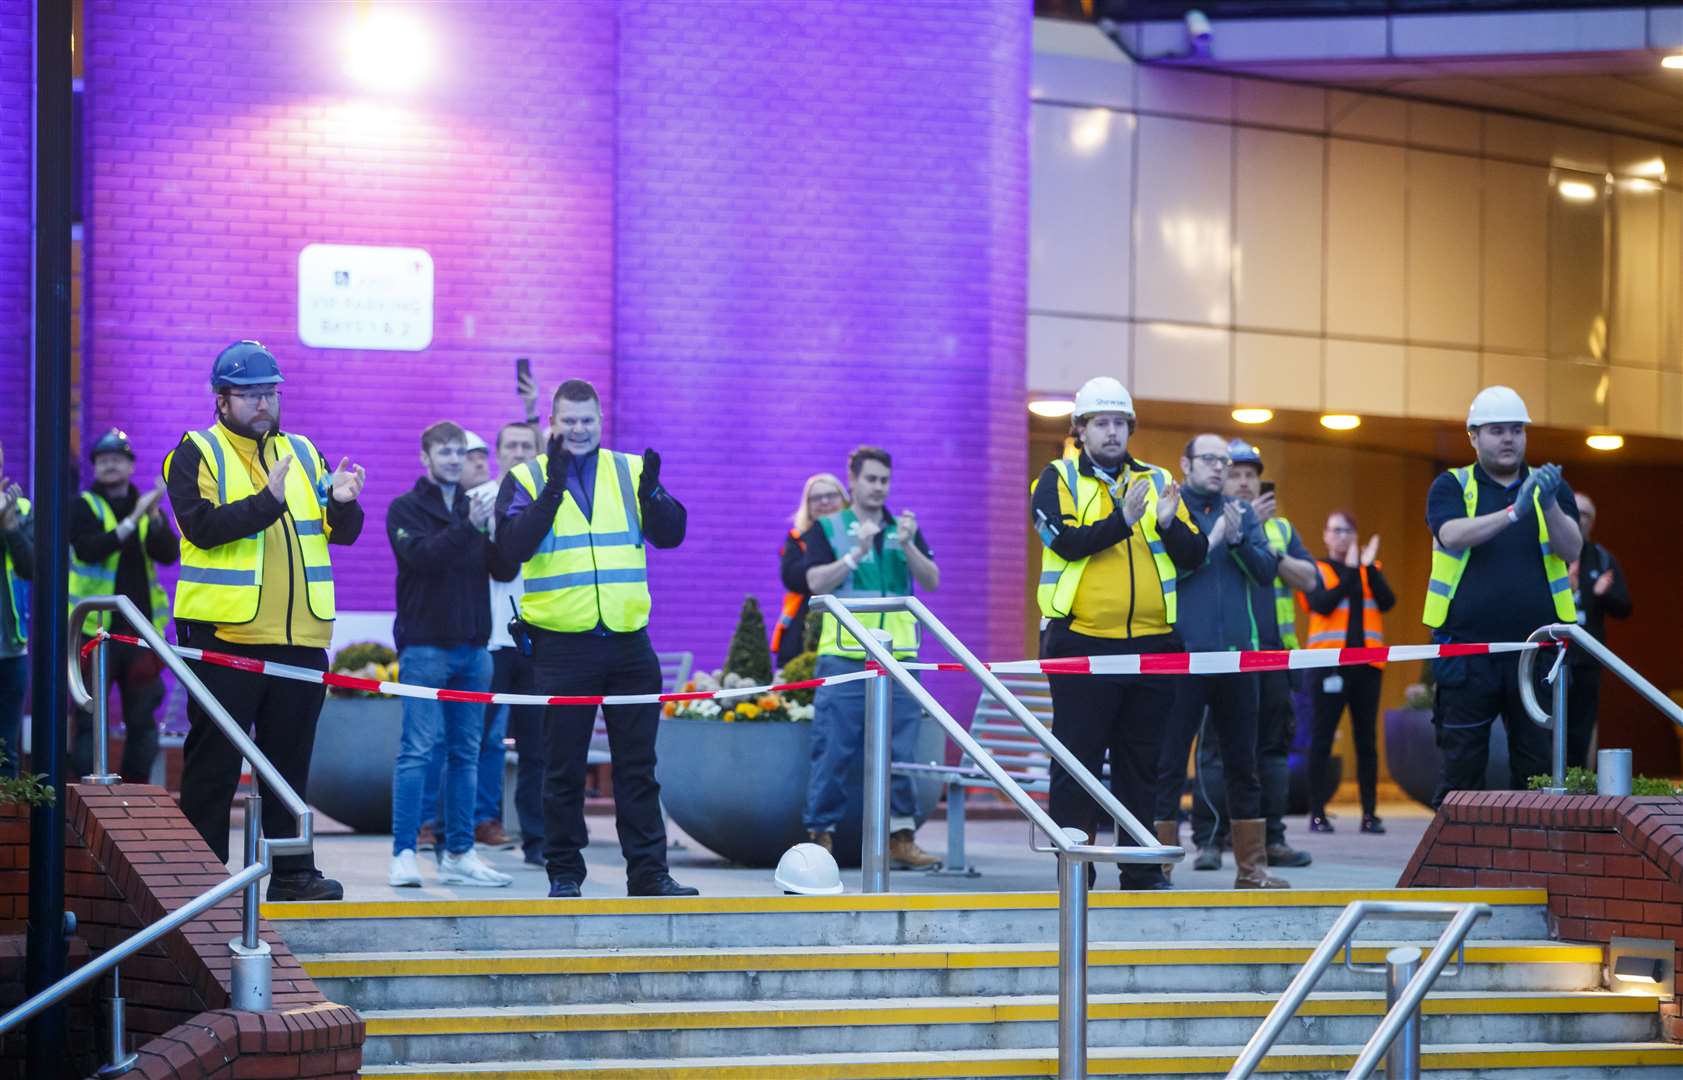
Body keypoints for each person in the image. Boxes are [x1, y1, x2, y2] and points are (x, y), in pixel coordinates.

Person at [165, 340, 366, 901]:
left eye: (270, 393)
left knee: (289, 765)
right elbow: (201, 526)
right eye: (249, 394)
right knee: (213, 764)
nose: (262, 404)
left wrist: (345, 502)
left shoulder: (303, 452)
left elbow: (340, 532)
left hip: (300, 639)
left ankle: (294, 873)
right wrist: (267, 501)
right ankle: (202, 880)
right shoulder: (195, 452)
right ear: (221, 400)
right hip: (225, 638)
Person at [495, 378, 697, 898]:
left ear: (600, 421)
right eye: (570, 420)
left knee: (639, 768)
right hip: (562, 647)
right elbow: (511, 548)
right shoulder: (525, 476)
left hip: (630, 644)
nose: (579, 429)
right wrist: (553, 491)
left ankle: (649, 873)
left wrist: (654, 491)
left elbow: (671, 534)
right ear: (553, 424)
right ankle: (564, 872)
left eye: (588, 420)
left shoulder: (629, 471)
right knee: (561, 768)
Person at [1030, 377, 1205, 890]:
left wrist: (1170, 524)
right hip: (1082, 642)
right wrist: (1122, 519)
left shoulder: (1156, 477)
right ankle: (1075, 869)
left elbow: (1195, 555)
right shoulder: (1056, 477)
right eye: (1100, 423)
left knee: (1141, 762)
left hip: (1153, 646)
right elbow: (1063, 541)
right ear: (1080, 430)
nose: (1111, 432)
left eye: (1119, 423)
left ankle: (1140, 865)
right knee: (1077, 761)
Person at [1424, 385, 1580, 805]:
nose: (1509, 438)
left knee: (1537, 772)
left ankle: (1531, 866)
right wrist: (1514, 512)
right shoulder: (1452, 485)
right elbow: (1451, 533)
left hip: (1537, 653)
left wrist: (1546, 504)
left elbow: (1572, 550)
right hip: (1466, 654)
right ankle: (1452, 867)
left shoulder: (1549, 488)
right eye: (1497, 430)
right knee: (1461, 770)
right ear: (1473, 436)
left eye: (1516, 429)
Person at [1154, 433, 1288, 889]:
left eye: (1224, 461)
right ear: (1185, 464)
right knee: (1169, 763)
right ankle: (1158, 867)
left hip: (1237, 659)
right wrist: (1210, 539)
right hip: (1182, 656)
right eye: (1208, 459)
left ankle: (1252, 870)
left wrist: (1236, 542)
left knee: (1242, 765)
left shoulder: (1244, 513)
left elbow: (1267, 572)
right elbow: (1173, 567)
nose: (1218, 468)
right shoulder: (1171, 510)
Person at [386, 421, 513, 889]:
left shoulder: (476, 508)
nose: (455, 460)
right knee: (417, 751)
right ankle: (402, 853)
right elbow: (424, 558)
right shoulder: (406, 508)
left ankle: (458, 853)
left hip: (474, 649)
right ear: (425, 457)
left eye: (461, 452)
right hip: (424, 648)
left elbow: (503, 568)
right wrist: (471, 526)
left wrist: (498, 528)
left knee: (466, 753)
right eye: (445, 452)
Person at [802, 446, 941, 869]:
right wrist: (855, 554)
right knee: (833, 751)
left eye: (884, 480)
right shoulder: (828, 528)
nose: (879, 487)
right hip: (844, 657)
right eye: (871, 479)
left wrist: (909, 546)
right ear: (853, 480)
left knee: (900, 752)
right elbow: (813, 583)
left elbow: (931, 581)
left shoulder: (904, 528)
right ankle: (820, 837)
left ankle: (901, 836)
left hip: (899, 658)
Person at [1189, 440, 1317, 870]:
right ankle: (1209, 840)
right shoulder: (1210, 520)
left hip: (1274, 656)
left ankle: (1272, 839)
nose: (1243, 481)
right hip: (1226, 654)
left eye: (1250, 474)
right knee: (1213, 751)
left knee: (1271, 751)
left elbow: (1310, 580)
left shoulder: (1280, 528)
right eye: (1235, 473)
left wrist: (1263, 544)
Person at [69, 427, 180, 782]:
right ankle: (88, 805)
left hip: (139, 636)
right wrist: (133, 520)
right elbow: (88, 550)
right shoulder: (83, 506)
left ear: (131, 465)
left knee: (143, 724)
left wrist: (156, 518)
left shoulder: (146, 508)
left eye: (117, 458)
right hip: (93, 635)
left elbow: (167, 554)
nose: (110, 464)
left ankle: (134, 801)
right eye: (103, 459)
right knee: (88, 724)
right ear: (94, 468)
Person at [1302, 510, 1395, 834]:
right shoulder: (1316, 569)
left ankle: (1370, 814)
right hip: (1327, 664)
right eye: (1336, 530)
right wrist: (1352, 573)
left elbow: (1387, 601)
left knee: (1365, 740)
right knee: (1322, 737)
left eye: (1348, 531)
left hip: (1366, 667)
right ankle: (1317, 813)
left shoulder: (1371, 570)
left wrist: (1366, 568)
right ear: (1326, 535)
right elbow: (1323, 603)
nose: (1342, 536)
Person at [481, 421, 543, 863]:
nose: (519, 452)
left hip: (540, 638)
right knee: (480, 739)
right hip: (488, 636)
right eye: (512, 446)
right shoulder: (478, 501)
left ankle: (539, 840)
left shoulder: (550, 502)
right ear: (498, 454)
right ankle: (480, 824)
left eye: (527, 446)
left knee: (539, 743)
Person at [1565, 493, 1631, 768]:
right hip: (1549, 658)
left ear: (1593, 521)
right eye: (1574, 511)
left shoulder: (1602, 559)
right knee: (1543, 725)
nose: (1579, 519)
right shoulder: (1548, 553)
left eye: (1586, 514)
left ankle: (1576, 789)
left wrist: (1602, 594)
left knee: (1581, 728)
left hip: (1587, 660)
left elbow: (1624, 608)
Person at [774, 473, 847, 666]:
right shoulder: (798, 538)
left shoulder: (857, 536)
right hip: (803, 625)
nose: (824, 501)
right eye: (816, 498)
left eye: (831, 495)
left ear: (844, 499)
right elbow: (792, 577)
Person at [0, 443, 29, 777]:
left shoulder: (20, 508)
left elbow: (31, 568)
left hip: (11, 649)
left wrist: (10, 528)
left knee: (6, 751)